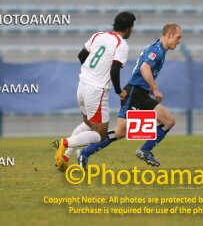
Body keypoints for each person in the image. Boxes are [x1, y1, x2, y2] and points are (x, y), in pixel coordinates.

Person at [78, 23, 183, 168]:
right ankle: (84, 153)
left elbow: (143, 71)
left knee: (169, 121)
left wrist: (150, 89)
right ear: (169, 34)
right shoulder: (157, 50)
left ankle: (145, 150)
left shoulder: (159, 49)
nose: (179, 41)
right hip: (134, 92)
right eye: (178, 37)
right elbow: (144, 67)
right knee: (120, 132)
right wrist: (155, 89)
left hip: (142, 92)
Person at [53, 12, 137, 171]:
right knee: (100, 135)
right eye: (131, 27)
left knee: (87, 123)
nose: (131, 31)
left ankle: (65, 155)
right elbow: (114, 70)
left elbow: (81, 55)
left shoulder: (99, 35)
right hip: (96, 91)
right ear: (127, 28)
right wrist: (119, 91)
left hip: (82, 85)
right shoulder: (121, 45)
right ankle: (64, 143)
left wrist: (93, 72)